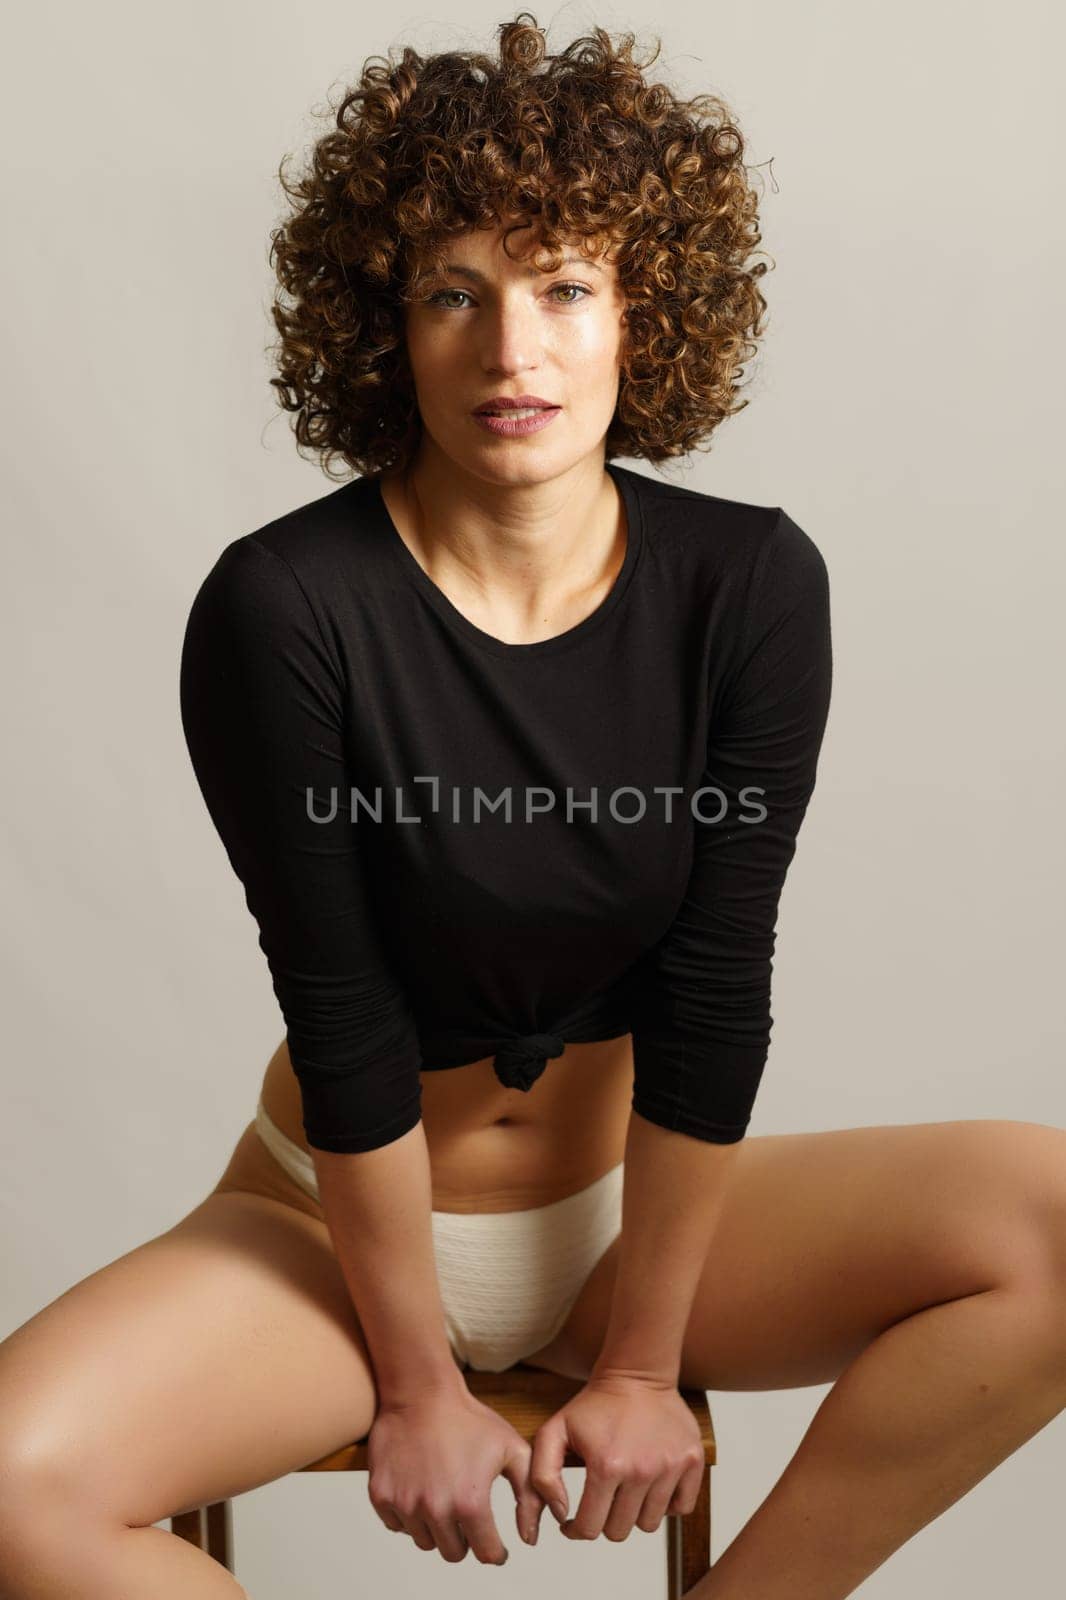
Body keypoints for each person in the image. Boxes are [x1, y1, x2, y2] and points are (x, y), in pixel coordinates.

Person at [1, 15, 1064, 1600]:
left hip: (630, 1218)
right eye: (454, 293)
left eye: (565, 288)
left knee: (1054, 1224)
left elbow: (717, 982)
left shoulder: (749, 583)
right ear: (385, 325)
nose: (513, 352)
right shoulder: (283, 605)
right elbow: (341, 1002)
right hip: (331, 1243)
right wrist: (418, 1381)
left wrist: (639, 1367)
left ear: (644, 314)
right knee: (15, 1486)